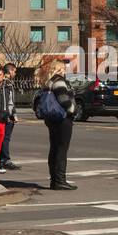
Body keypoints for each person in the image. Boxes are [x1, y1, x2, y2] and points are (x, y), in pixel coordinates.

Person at [42, 62, 77, 190]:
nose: (65, 70)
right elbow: (63, 99)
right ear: (58, 69)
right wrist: (73, 110)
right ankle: (60, 181)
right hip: (62, 119)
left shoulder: (49, 82)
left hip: (51, 118)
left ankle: (54, 179)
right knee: (62, 150)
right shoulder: (59, 81)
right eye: (63, 68)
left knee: (54, 148)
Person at [0, 63, 20, 170]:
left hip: (2, 113)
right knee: (5, 138)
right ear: (10, 71)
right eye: (14, 71)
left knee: (2, 138)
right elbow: (10, 101)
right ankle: (5, 159)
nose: (15, 73)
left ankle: (1, 159)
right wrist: (13, 114)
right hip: (8, 114)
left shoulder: (1, 82)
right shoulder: (8, 84)